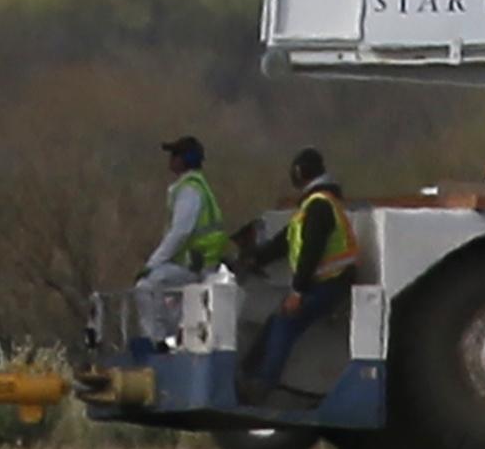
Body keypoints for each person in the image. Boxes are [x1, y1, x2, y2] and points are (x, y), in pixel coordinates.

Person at [237, 146, 359, 403]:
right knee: (276, 320)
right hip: (327, 282)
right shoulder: (314, 205)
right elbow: (286, 241)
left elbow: (311, 252)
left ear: (299, 173)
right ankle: (248, 373)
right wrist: (256, 257)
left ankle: (262, 385)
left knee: (285, 321)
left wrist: (297, 291)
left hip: (330, 284)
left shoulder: (318, 205)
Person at [138, 135, 235, 288]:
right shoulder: (197, 185)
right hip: (200, 264)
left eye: (175, 155)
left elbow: (180, 232)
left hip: (196, 267)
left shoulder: (189, 189)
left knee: (146, 285)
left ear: (186, 159)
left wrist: (152, 265)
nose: (170, 159)